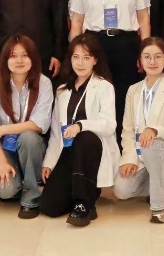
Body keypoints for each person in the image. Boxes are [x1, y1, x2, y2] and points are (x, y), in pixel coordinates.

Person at [69, 0, 150, 142]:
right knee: (96, 95)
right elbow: (77, 21)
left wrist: (144, 51)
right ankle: (98, 146)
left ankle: (125, 147)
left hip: (127, 43)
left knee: (125, 96)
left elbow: (143, 18)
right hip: (94, 44)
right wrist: (76, 53)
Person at [40, 34, 119, 226]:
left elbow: (109, 124)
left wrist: (81, 126)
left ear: (95, 60)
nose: (80, 63)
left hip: (92, 152)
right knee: (49, 207)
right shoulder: (62, 91)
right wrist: (49, 162)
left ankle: (84, 203)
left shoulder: (104, 87)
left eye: (86, 57)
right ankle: (80, 193)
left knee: (85, 137)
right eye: (76, 57)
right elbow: (56, 132)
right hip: (68, 152)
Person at [114, 37, 164, 224]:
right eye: (147, 57)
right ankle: (160, 184)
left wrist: (155, 131)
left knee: (151, 142)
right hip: (142, 155)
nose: (152, 61)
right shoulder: (133, 90)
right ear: (140, 61)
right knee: (121, 189)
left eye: (158, 56)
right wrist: (129, 158)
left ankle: (161, 205)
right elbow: (127, 130)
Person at [0, 35, 53, 218]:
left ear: (33, 58)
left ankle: (31, 196)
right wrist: (2, 163)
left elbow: (39, 124)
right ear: (5, 59)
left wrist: (2, 129)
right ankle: (20, 181)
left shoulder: (44, 83)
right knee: (6, 191)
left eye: (25, 55)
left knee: (29, 136)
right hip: (2, 147)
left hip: (31, 145)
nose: (19, 60)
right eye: (13, 55)